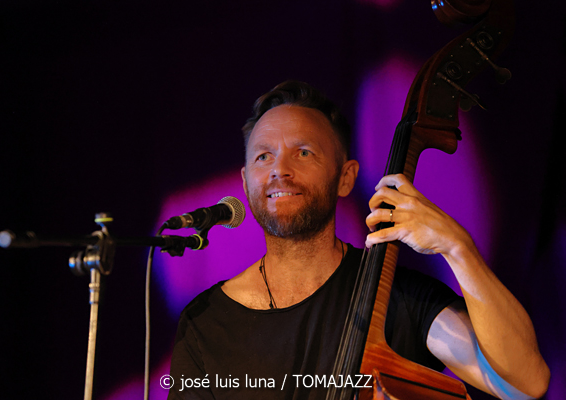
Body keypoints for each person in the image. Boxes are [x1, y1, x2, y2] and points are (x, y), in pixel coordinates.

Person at [167, 81, 549, 399]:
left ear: (346, 177)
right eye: (263, 157)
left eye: (303, 152)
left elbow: (526, 383)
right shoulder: (205, 322)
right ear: (246, 180)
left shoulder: (399, 298)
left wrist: (458, 247)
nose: (280, 170)